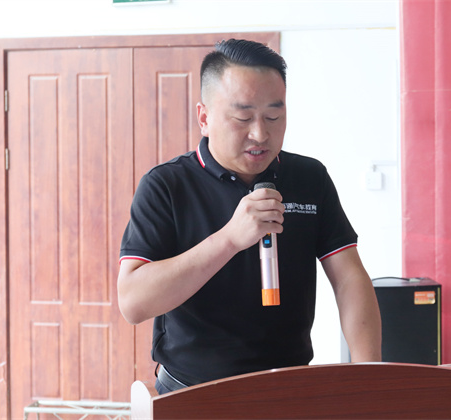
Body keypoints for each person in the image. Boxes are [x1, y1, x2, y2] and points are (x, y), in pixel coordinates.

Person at [117, 38, 381, 394]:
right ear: (204, 118)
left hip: (288, 388)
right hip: (191, 393)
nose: (260, 134)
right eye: (243, 118)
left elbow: (349, 278)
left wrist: (371, 378)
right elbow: (133, 303)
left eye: (273, 116)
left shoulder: (309, 178)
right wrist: (230, 239)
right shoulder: (167, 185)